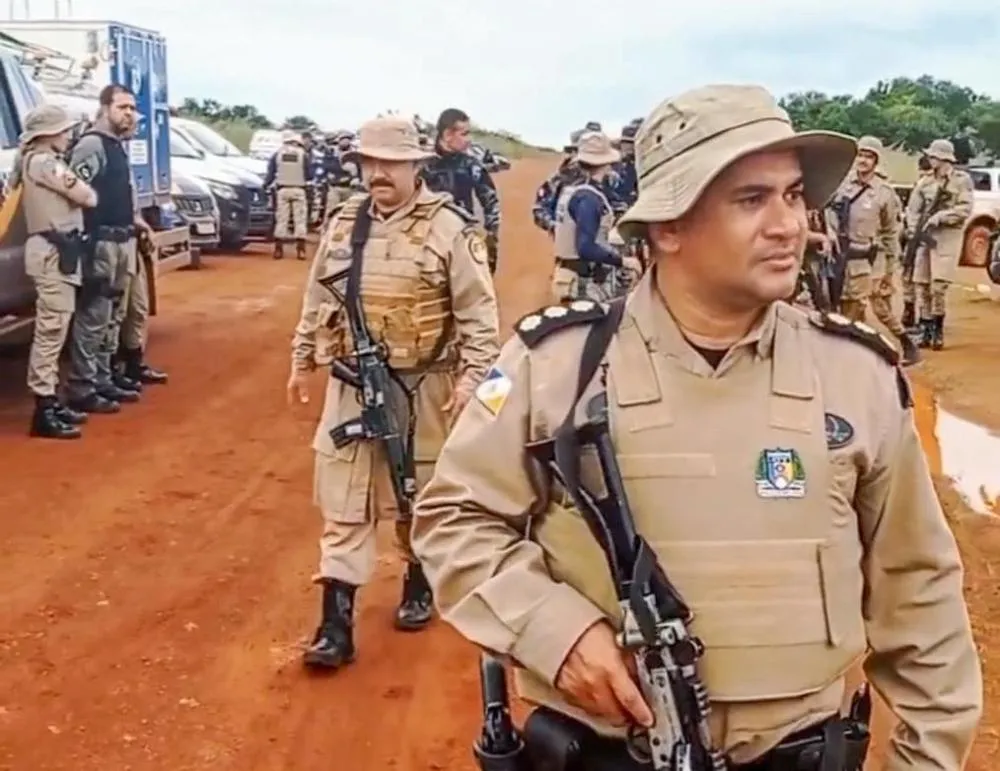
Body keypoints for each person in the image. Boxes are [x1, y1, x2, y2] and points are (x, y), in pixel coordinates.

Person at [413, 84, 981, 771]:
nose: (788, 224)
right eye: (751, 199)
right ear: (668, 226)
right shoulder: (556, 368)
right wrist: (556, 632)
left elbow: (919, 590)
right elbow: (454, 521)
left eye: (795, 195)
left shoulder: (855, 375)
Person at [288, 115, 499, 671]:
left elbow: (480, 318)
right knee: (344, 502)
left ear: (414, 166)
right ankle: (335, 625)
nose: (378, 173)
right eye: (369, 163)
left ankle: (418, 579)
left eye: (390, 163)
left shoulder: (451, 229)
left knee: (418, 496)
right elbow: (316, 297)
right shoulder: (342, 224)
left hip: (421, 386)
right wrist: (302, 356)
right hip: (352, 385)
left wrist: (472, 380)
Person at [65, 84, 152, 414]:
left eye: (132, 108)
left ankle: (102, 377)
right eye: (122, 107)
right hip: (100, 241)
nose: (128, 113)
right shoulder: (91, 145)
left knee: (113, 315)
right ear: (104, 108)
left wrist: (135, 222)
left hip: (121, 239)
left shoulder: (116, 145)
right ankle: (82, 385)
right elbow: (74, 192)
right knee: (94, 315)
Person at [18, 104, 98, 438]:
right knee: (51, 331)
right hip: (52, 252)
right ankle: (44, 407)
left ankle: (50, 399)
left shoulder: (39, 162)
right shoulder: (44, 163)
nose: (68, 136)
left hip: (57, 250)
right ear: (48, 134)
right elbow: (86, 196)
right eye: (63, 131)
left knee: (57, 326)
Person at [826, 136, 918, 366]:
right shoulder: (841, 185)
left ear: (876, 161)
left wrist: (888, 270)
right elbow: (825, 209)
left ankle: (902, 344)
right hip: (838, 257)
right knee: (840, 306)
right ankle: (856, 351)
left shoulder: (884, 193)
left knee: (868, 307)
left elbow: (890, 234)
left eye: (869, 156)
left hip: (865, 259)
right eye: (860, 155)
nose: (863, 160)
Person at [551, 131, 641, 303]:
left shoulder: (571, 190)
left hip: (568, 276)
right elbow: (586, 247)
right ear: (607, 163)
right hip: (583, 282)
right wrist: (623, 261)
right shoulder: (589, 198)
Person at [904, 138, 974, 350]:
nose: (930, 159)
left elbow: (965, 208)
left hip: (946, 238)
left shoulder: (961, 181)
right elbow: (912, 209)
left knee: (938, 286)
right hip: (924, 238)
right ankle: (925, 330)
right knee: (921, 283)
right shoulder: (925, 183)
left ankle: (937, 330)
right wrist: (915, 228)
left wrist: (942, 216)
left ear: (944, 158)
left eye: (934, 156)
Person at [421, 108, 501, 273]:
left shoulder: (471, 166)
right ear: (448, 134)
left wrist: (491, 238)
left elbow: (491, 202)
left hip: (461, 239)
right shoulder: (422, 166)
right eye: (464, 134)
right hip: (426, 242)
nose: (469, 140)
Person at [265, 129, 312, 260]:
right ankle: (301, 251)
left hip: (282, 190)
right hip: (299, 190)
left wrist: (265, 185)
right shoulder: (303, 155)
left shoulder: (277, 154)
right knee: (300, 220)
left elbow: (270, 174)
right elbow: (310, 175)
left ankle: (278, 250)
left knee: (281, 220)